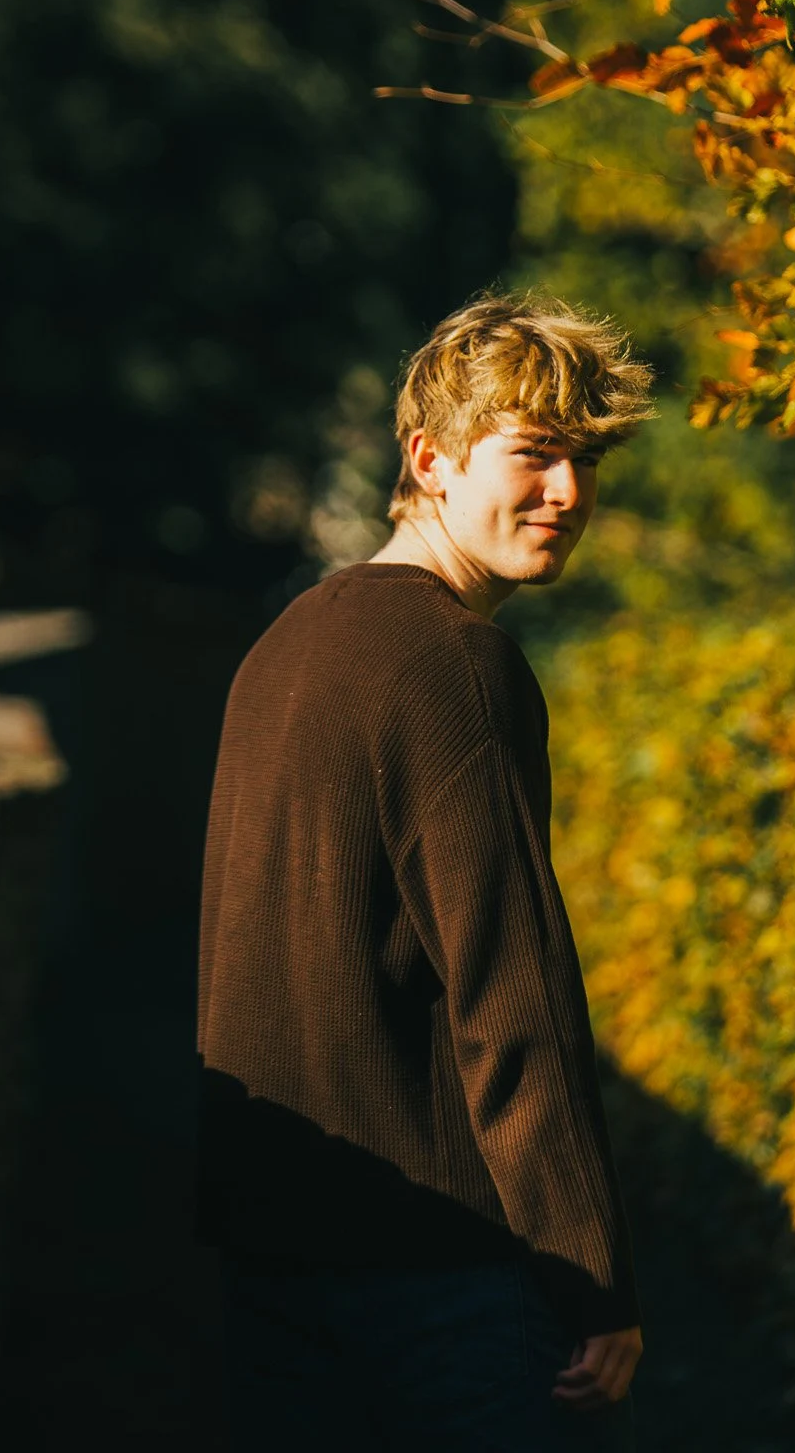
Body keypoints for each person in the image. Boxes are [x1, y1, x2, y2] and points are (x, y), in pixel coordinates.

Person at [197, 293, 655, 1449]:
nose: (568, 494)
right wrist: (589, 1273)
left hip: (268, 1256)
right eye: (536, 455)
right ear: (431, 459)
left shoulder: (284, 644)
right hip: (441, 1282)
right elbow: (514, 995)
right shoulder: (459, 662)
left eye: (585, 460)